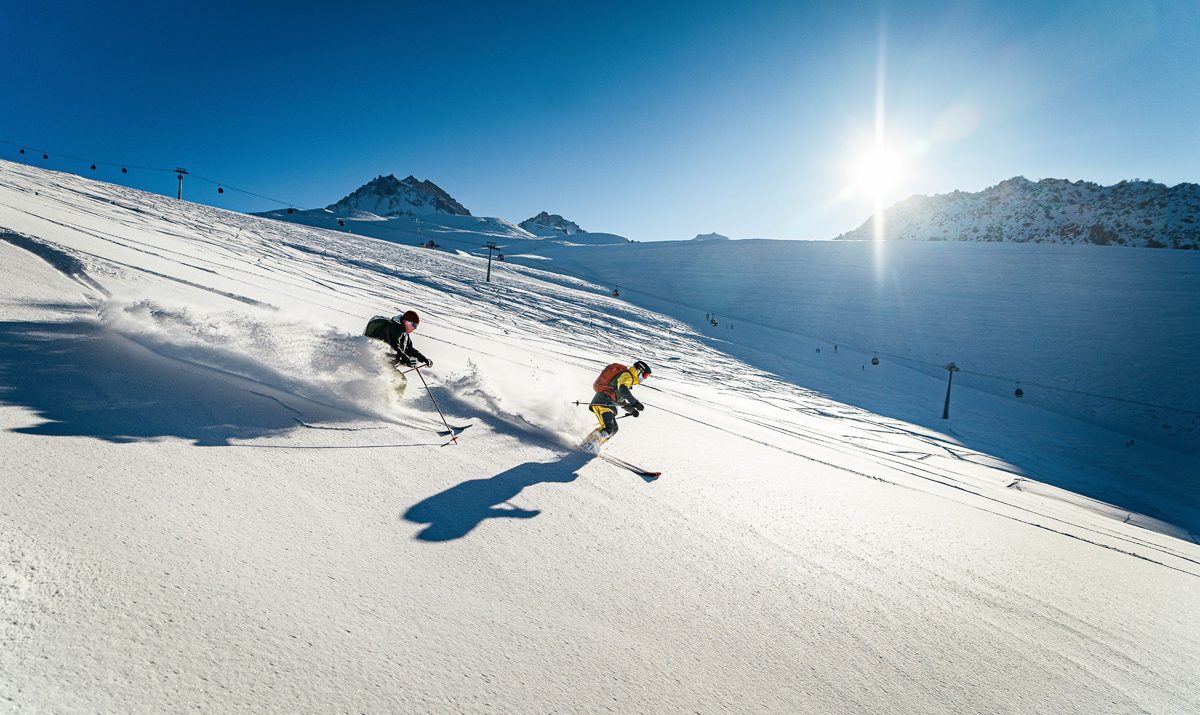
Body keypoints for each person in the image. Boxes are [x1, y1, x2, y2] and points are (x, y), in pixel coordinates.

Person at [583, 360, 650, 452]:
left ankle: (594, 445)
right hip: (603, 401)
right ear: (639, 371)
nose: (644, 378)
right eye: (645, 375)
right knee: (609, 427)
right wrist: (635, 403)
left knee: (614, 429)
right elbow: (623, 389)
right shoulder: (627, 376)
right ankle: (586, 445)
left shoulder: (627, 379)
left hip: (607, 403)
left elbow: (620, 400)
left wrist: (632, 410)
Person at [364, 310, 433, 369]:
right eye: (414, 325)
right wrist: (406, 360)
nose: (415, 328)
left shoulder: (404, 334)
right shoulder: (393, 328)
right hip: (376, 362)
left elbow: (409, 350)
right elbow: (394, 348)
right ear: (407, 322)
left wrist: (423, 359)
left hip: (387, 364)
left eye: (416, 326)